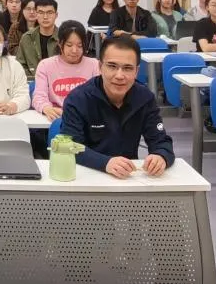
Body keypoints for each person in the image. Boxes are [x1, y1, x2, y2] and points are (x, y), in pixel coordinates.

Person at [62, 36, 174, 179]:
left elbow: (161, 141)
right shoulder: (78, 99)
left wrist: (160, 156)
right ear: (100, 67)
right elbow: (70, 147)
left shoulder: (145, 98)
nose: (119, 75)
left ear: (136, 71)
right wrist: (105, 162)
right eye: (112, 66)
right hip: (87, 177)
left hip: (128, 178)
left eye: (127, 68)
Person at [32, 20, 100, 121]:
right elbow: (39, 96)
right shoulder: (45, 65)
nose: (74, 50)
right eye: (69, 45)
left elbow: (99, 96)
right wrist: (46, 108)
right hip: (56, 118)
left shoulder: (94, 65)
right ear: (60, 43)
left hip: (85, 119)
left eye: (79, 46)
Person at [16, 0, 60, 78]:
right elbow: (20, 65)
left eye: (49, 12)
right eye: (41, 12)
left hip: (58, 81)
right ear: (36, 14)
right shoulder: (27, 38)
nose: (45, 17)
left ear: (56, 15)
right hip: (32, 81)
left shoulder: (63, 38)